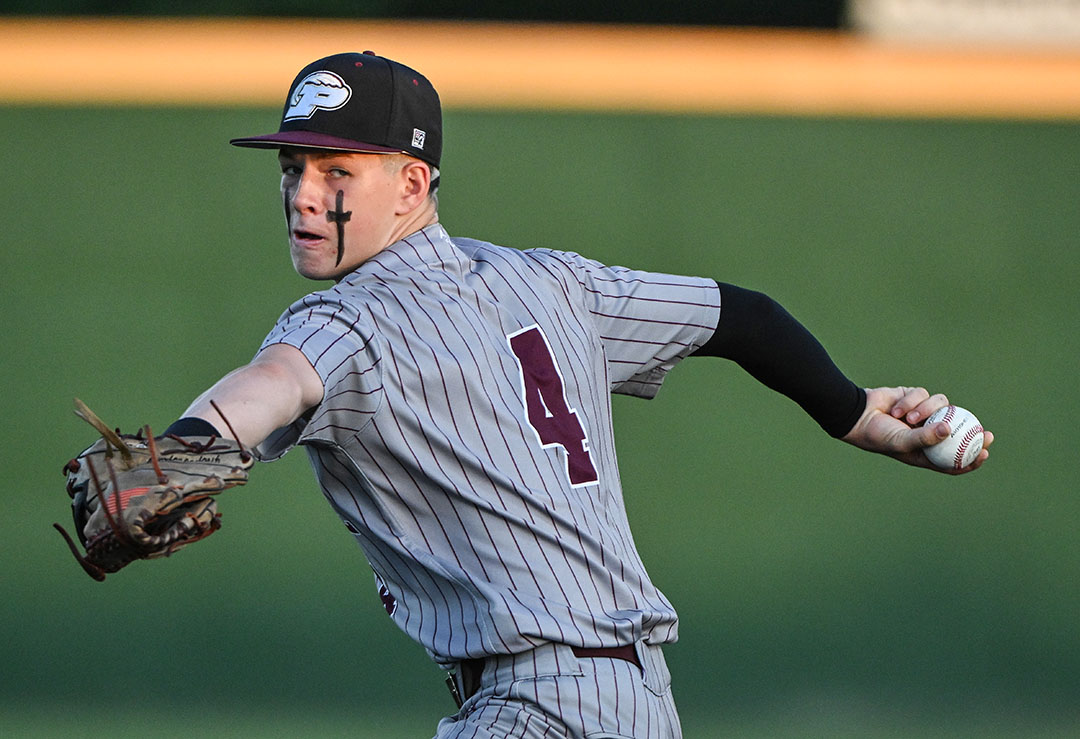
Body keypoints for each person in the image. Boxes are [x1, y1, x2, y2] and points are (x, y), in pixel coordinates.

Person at [164, 51, 992, 738]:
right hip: (636, 705)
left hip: (541, 709)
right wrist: (853, 412)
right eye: (293, 166)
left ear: (412, 186)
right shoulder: (555, 284)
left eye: (337, 169)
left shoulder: (343, 321)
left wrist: (181, 449)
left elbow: (268, 387)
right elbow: (744, 316)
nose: (305, 192)